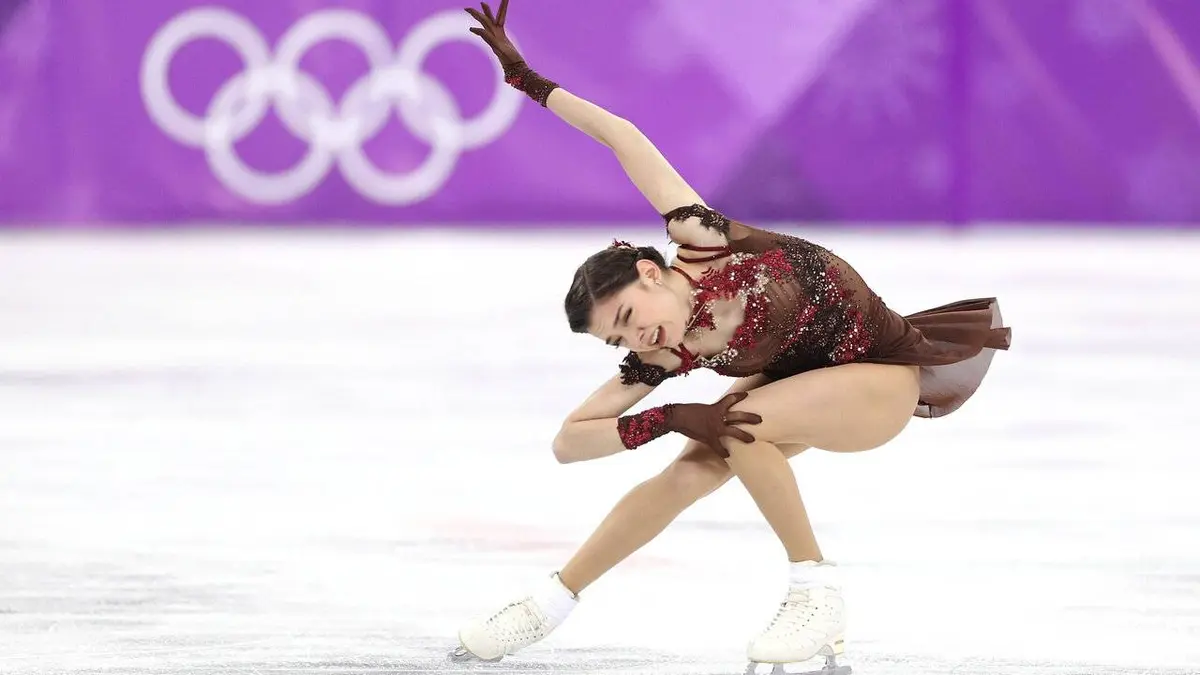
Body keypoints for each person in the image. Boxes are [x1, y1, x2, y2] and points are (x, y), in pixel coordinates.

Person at [450, 2, 1012, 672]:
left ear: (648, 272)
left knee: (738, 422)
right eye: (617, 340)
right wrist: (665, 417)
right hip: (805, 386)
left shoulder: (703, 238)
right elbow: (569, 443)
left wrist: (530, 83)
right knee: (694, 463)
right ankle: (549, 603)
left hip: (883, 379)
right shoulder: (667, 351)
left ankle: (815, 590)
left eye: (627, 317)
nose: (636, 337)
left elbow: (623, 137)